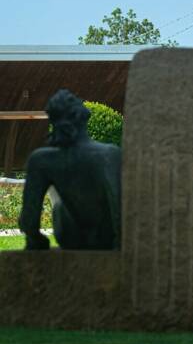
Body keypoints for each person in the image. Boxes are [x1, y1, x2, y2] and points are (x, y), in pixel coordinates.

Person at [19, 89, 121, 250]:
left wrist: (36, 241)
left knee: (60, 208)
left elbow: (29, 219)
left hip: (70, 236)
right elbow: (117, 203)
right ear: (83, 116)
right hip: (105, 238)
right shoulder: (108, 154)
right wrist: (120, 244)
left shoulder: (41, 160)